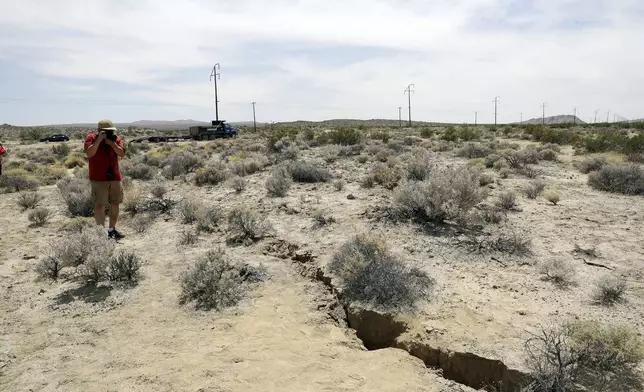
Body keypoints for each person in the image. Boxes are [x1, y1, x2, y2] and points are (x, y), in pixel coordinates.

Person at [84, 119, 126, 239]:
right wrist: (99, 141)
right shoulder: (91, 138)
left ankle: (112, 230)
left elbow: (122, 154)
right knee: (99, 205)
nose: (109, 133)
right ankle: (101, 232)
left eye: (110, 131)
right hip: (98, 178)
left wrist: (112, 144)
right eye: (106, 132)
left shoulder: (115, 139)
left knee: (115, 203)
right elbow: (89, 153)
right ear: (99, 131)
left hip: (115, 177)